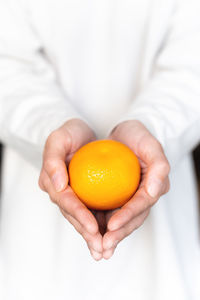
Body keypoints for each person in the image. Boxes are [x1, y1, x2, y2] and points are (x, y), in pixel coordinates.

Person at [0, 0, 200, 299]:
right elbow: (8, 63)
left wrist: (154, 128)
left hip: (162, 232)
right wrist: (51, 128)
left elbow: (192, 65)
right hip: (36, 233)